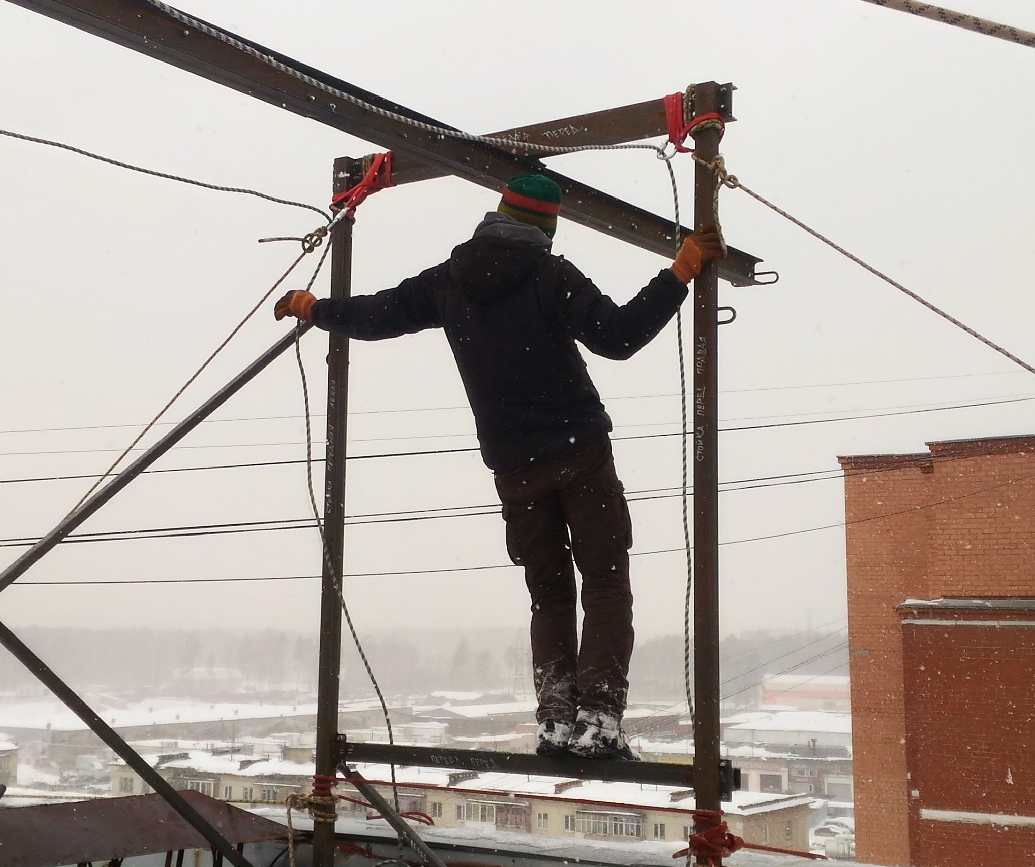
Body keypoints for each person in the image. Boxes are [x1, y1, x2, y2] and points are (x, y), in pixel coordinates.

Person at [274, 172, 724, 761]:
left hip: (514, 467)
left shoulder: (449, 282)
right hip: (580, 452)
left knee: (549, 592)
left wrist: (316, 308)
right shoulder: (549, 275)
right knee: (606, 580)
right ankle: (601, 722)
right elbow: (617, 336)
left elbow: (377, 315)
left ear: (497, 215)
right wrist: (680, 272)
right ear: (545, 226)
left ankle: (558, 722)